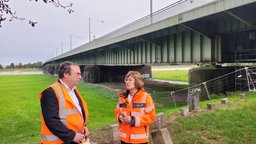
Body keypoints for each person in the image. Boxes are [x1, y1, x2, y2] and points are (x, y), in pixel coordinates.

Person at [40, 61, 90, 144]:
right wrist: (71, 136)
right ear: (66, 74)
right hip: (58, 141)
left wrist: (83, 127)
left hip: (75, 138)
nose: (80, 77)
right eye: (77, 74)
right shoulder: (50, 92)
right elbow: (51, 120)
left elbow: (77, 113)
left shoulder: (73, 90)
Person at [115, 71, 156, 144]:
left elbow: (151, 117)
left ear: (137, 82)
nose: (127, 82)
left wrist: (133, 120)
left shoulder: (146, 97)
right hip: (124, 139)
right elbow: (117, 112)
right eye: (126, 80)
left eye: (130, 80)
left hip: (139, 140)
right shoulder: (122, 98)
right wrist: (119, 117)